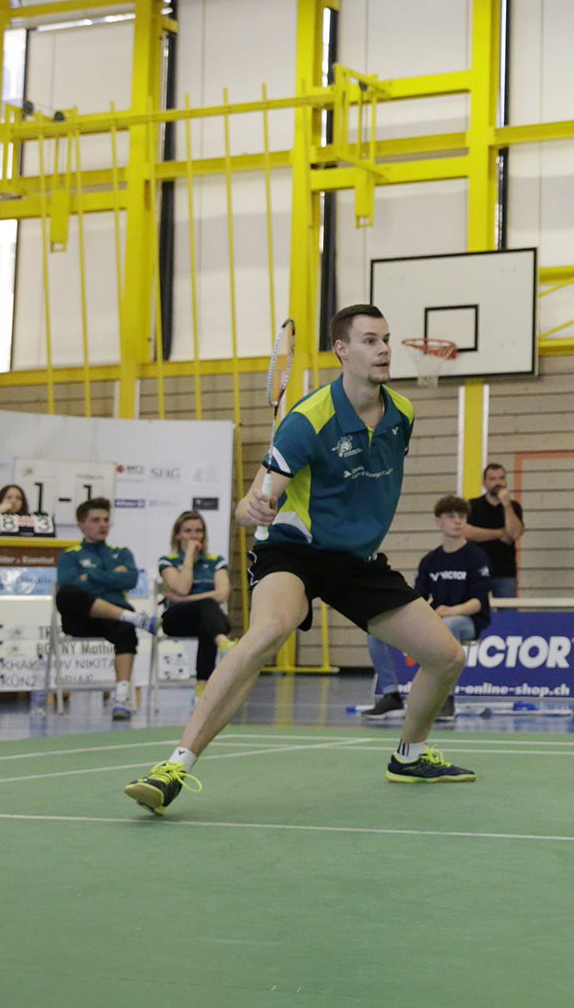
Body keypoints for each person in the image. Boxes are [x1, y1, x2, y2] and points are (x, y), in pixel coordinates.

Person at [124, 304, 473, 816]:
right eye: (371, 341)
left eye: (386, 340)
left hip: (357, 560)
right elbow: (251, 505)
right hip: (296, 550)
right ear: (342, 350)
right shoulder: (307, 419)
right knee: (266, 634)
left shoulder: (403, 413)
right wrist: (256, 505)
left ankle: (410, 755)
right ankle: (175, 765)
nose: (383, 350)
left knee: (448, 657)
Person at [55, 497, 157, 720]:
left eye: (106, 520)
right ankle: (134, 617)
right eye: (95, 520)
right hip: (82, 620)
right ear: (81, 524)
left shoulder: (122, 552)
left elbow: (130, 579)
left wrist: (89, 575)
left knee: (124, 630)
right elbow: (71, 583)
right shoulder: (70, 555)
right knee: (67, 594)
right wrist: (112, 576)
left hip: (113, 619)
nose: (102, 525)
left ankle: (121, 698)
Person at [409, 494, 495, 720]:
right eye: (451, 516)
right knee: (377, 633)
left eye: (462, 516)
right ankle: (391, 695)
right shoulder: (430, 561)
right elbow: (418, 598)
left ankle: (446, 699)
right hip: (437, 618)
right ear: (438, 521)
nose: (457, 521)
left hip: (468, 621)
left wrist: (450, 611)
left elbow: (479, 603)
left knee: (449, 625)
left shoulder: (476, 557)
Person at [156, 511, 236, 685]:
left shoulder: (216, 561)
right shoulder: (167, 561)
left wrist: (185, 599)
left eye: (198, 531)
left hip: (207, 619)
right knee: (210, 610)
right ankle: (224, 644)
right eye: (188, 531)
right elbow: (182, 587)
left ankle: (202, 687)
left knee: (208, 623)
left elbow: (223, 594)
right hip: (177, 619)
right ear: (178, 535)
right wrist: (189, 558)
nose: (194, 536)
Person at [464, 462, 523, 599]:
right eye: (493, 479)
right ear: (484, 483)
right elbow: (466, 532)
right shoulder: (473, 505)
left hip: (505, 572)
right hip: (476, 569)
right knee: (476, 611)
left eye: (501, 478)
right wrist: (500, 533)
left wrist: (506, 504)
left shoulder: (513, 507)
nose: (498, 483)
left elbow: (514, 533)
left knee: (508, 616)